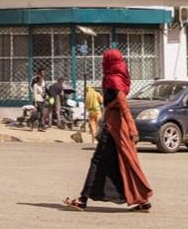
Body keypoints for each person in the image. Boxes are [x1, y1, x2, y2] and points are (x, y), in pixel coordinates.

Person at [63, 50, 153, 213]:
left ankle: (82, 200)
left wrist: (133, 130)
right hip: (116, 126)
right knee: (123, 163)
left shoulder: (113, 79)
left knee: (98, 161)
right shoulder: (119, 76)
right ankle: (142, 201)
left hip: (114, 128)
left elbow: (124, 106)